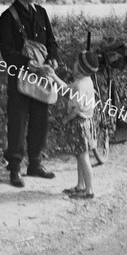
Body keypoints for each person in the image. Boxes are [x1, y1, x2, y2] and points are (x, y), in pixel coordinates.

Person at [0, 0, 59, 188]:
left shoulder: (41, 13)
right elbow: (7, 52)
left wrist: (52, 59)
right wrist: (30, 65)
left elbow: (51, 42)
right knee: (17, 121)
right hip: (19, 78)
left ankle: (35, 163)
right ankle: (15, 168)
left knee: (40, 119)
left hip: (42, 77)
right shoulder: (7, 17)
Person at [45, 50, 99, 199]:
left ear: (80, 67)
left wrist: (65, 120)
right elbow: (67, 90)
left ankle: (89, 190)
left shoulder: (80, 86)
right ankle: (81, 186)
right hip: (84, 123)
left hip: (79, 124)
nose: (73, 64)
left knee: (83, 157)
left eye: (76, 62)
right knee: (80, 155)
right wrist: (54, 76)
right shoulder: (85, 82)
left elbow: (76, 109)